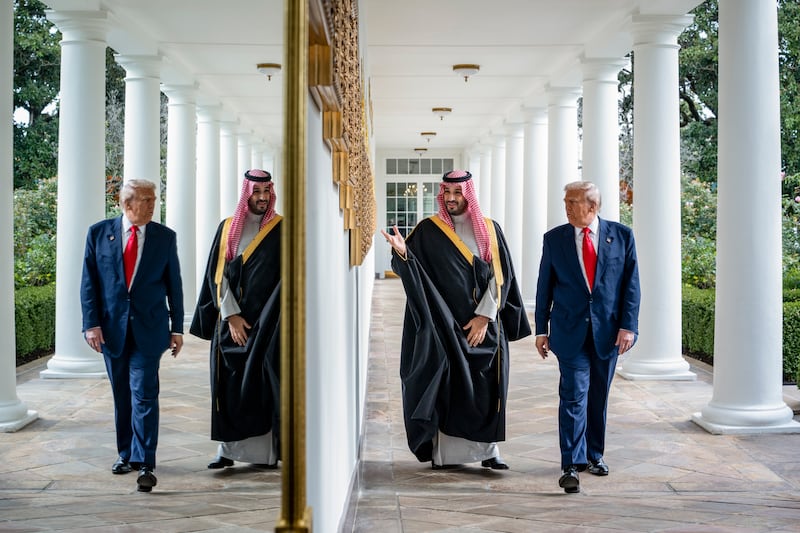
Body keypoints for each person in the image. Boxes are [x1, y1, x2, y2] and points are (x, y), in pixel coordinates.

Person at [381, 169, 531, 470]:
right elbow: (411, 270)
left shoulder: (489, 229)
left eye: (457, 193)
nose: (451, 199)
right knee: (447, 387)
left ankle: (487, 452)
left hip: (482, 327)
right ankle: (445, 455)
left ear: (469, 195)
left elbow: (501, 278)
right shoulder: (427, 229)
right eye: (446, 193)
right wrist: (403, 254)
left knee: (487, 388)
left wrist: (484, 317)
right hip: (444, 329)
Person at [534, 180, 640, 494]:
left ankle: (594, 455)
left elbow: (631, 286)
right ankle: (570, 463)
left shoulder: (622, 236)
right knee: (573, 395)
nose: (566, 208)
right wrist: (541, 329)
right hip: (569, 332)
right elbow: (544, 287)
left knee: (598, 398)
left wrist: (628, 326)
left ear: (591, 207)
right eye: (565, 202)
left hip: (608, 333)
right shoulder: (554, 239)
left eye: (572, 202)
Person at [80, 178, 184, 493]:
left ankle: (146, 462)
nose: (153, 205)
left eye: (154, 200)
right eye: (147, 200)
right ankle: (125, 454)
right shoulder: (98, 233)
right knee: (122, 396)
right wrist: (91, 323)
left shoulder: (165, 238)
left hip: (149, 331)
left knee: (144, 394)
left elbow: (174, 284)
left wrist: (177, 327)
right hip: (112, 331)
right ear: (127, 204)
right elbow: (89, 283)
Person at [190, 169, 282, 469]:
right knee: (228, 385)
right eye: (257, 192)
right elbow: (218, 276)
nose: (263, 198)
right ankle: (228, 451)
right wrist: (231, 316)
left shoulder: (283, 229)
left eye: (267, 192)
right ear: (247, 194)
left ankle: (265, 455)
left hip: (269, 325)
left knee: (263, 385)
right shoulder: (228, 228)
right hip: (233, 322)